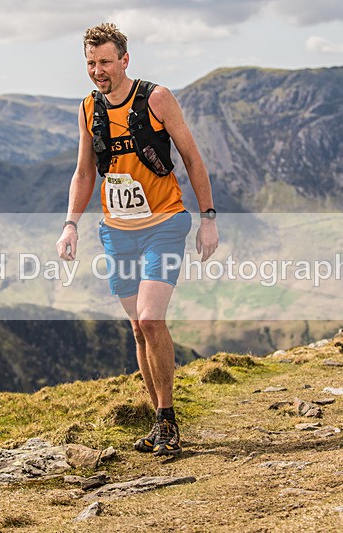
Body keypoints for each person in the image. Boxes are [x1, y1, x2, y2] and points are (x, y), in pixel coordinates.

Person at [56, 22, 219, 456]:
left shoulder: (157, 99)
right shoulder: (87, 109)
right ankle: (158, 423)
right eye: (91, 63)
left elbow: (192, 157)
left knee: (150, 319)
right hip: (117, 232)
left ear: (125, 60)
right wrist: (71, 224)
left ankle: (168, 418)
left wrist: (208, 218)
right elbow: (85, 172)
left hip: (164, 224)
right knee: (137, 329)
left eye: (105, 61)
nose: (98, 71)